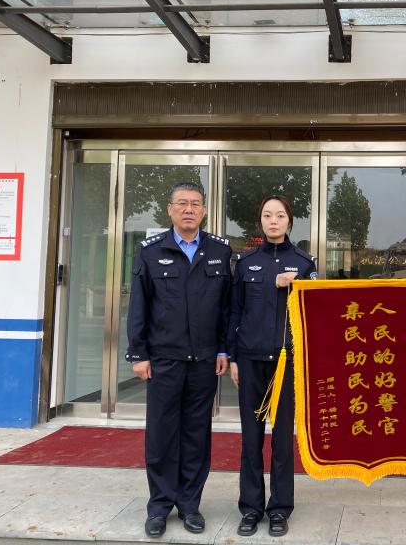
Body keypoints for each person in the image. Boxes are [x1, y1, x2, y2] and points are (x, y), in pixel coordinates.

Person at [126, 182, 232, 538]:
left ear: (204, 211)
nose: (189, 209)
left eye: (195, 204)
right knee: (161, 434)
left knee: (196, 434)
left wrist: (223, 349)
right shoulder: (151, 251)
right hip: (164, 360)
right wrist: (139, 353)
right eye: (182, 203)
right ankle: (159, 506)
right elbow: (139, 305)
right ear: (170, 209)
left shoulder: (219, 250)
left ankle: (189, 504)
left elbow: (226, 308)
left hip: (204, 361)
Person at [227, 195, 317, 538]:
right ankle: (251, 508)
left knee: (281, 440)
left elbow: (317, 310)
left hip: (287, 363)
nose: (273, 221)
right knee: (251, 438)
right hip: (250, 361)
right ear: (261, 221)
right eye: (267, 215)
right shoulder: (246, 262)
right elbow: (234, 312)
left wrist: (299, 285)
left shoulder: (304, 263)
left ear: (290, 221)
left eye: (280, 215)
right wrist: (233, 358)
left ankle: (279, 508)